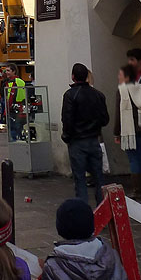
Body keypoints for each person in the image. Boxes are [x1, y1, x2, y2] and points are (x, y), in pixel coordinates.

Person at [61, 63, 109, 204]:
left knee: (80, 179)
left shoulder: (70, 95)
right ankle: (102, 211)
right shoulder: (98, 95)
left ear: (73, 77)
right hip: (93, 140)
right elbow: (105, 119)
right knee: (99, 178)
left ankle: (83, 213)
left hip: (77, 141)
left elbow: (67, 119)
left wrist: (67, 136)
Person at [113, 64, 141, 199]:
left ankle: (137, 189)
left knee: (133, 159)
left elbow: (119, 114)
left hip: (128, 130)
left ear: (127, 77)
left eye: (120, 75)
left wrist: (116, 132)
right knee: (140, 157)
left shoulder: (122, 90)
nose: (118, 77)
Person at [5, 66, 26, 142]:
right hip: (17, 108)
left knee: (15, 128)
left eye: (8, 70)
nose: (6, 72)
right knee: (17, 128)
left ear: (14, 71)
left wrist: (7, 110)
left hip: (15, 108)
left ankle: (15, 146)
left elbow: (12, 97)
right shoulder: (12, 82)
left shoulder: (15, 82)